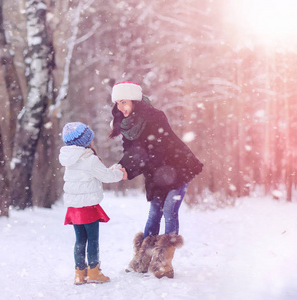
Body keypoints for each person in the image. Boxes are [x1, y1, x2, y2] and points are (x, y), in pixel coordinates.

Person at [109, 81, 203, 278]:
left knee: (169, 210)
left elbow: (152, 148)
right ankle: (142, 260)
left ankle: (163, 263)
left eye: (124, 102)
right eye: (118, 103)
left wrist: (129, 166)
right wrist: (123, 167)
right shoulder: (127, 126)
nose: (120, 108)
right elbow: (132, 152)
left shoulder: (155, 117)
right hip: (155, 173)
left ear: (134, 100)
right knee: (154, 213)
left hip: (176, 168)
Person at [59, 122, 127, 285]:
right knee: (93, 240)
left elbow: (92, 175)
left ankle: (79, 272)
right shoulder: (89, 159)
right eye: (91, 139)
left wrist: (112, 170)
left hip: (74, 207)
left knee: (80, 240)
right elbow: (106, 176)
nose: (93, 142)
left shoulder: (70, 159)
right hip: (87, 206)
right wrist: (119, 173)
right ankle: (94, 272)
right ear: (85, 141)